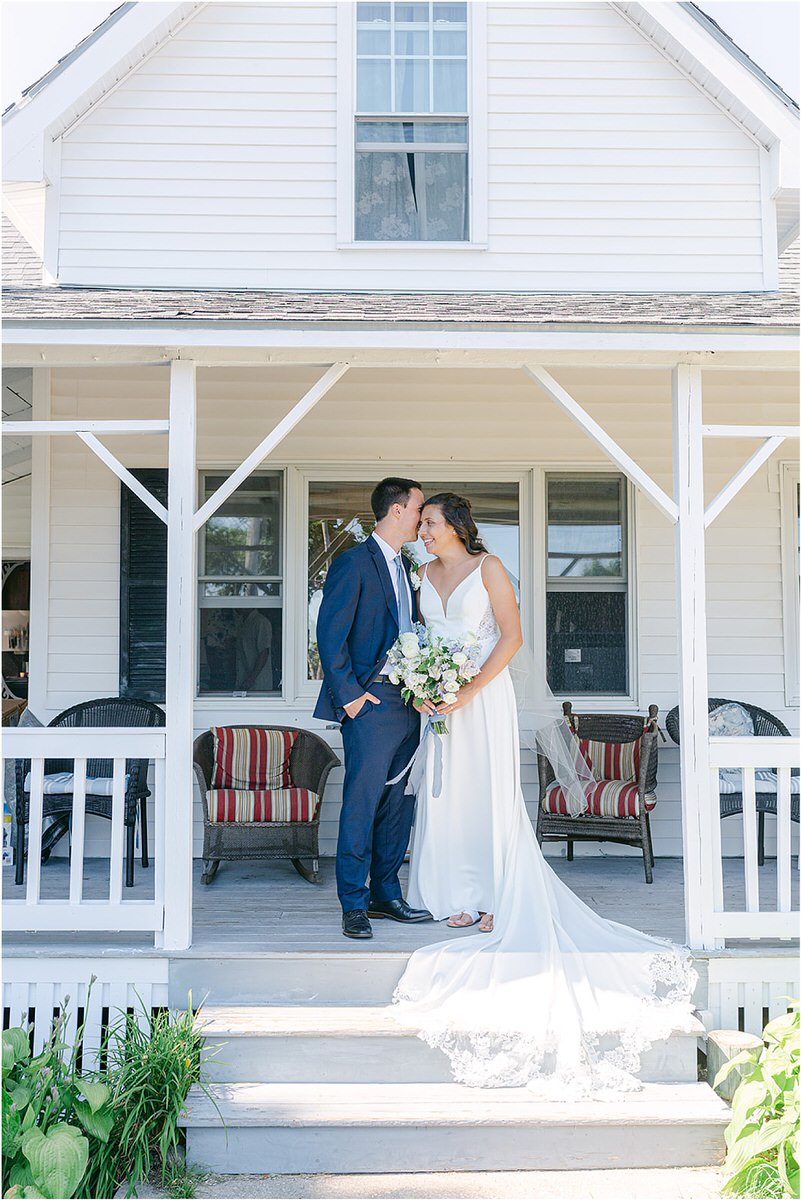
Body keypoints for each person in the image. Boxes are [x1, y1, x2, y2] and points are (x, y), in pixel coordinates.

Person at [395, 492, 697, 1095]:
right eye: (419, 524)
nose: (421, 532)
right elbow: (418, 639)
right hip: (441, 701)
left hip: (483, 699)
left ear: (455, 525)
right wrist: (424, 683)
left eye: (428, 523)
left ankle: (491, 895)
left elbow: (511, 639)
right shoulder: (420, 575)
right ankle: (452, 891)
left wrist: (465, 691)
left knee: (486, 793)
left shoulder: (490, 569)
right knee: (445, 794)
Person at [313, 477, 433, 940]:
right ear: (397, 510)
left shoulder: (406, 567)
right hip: (371, 703)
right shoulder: (353, 562)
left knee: (398, 804)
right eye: (419, 507)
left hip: (409, 702)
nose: (422, 517)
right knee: (362, 804)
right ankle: (353, 904)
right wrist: (352, 698)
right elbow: (330, 633)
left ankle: (386, 894)